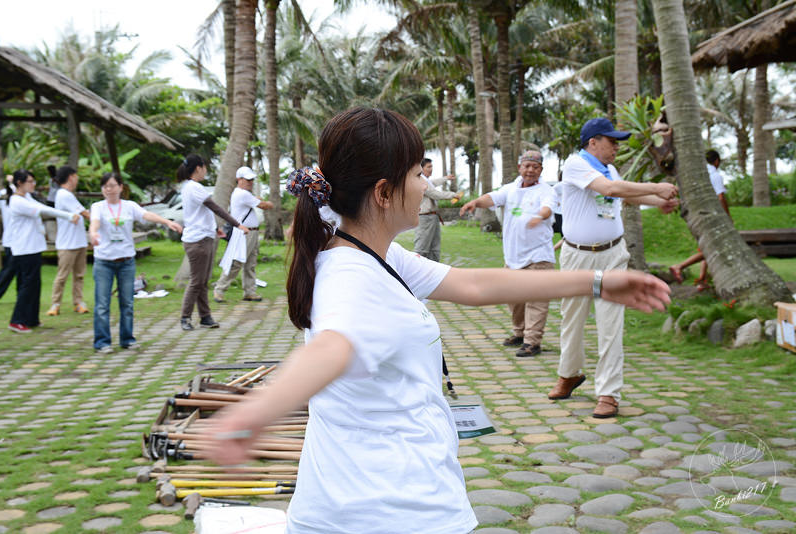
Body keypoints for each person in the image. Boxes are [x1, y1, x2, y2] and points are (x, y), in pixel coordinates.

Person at [202, 107, 671, 533]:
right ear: (384, 193)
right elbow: (332, 348)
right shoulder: (349, 275)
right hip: (386, 512)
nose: (425, 185)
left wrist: (596, 282)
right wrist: (252, 415)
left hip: (377, 500)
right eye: (416, 174)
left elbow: (473, 286)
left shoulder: (376, 253)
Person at [550, 117, 679, 418]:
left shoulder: (610, 169)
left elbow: (620, 194)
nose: (616, 147)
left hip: (613, 255)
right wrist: (657, 187)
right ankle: (569, 374)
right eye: (611, 141)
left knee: (611, 324)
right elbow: (609, 188)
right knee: (572, 319)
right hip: (577, 257)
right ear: (592, 142)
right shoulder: (575, 164)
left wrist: (656, 201)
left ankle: (608, 393)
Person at [459, 150, 556, 357]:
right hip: (514, 256)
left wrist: (539, 216)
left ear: (541, 170)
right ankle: (520, 333)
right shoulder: (510, 189)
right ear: (520, 167)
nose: (530, 170)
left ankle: (532, 342)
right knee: (514, 299)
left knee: (536, 300)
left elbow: (547, 208)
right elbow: (491, 198)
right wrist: (475, 202)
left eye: (535, 167)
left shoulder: (547, 191)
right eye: (527, 166)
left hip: (539, 256)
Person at [90, 172, 183, 353]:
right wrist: (93, 233)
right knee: (102, 304)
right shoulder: (98, 207)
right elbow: (94, 222)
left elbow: (147, 215)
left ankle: (127, 339)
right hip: (104, 261)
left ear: (120, 187)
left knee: (127, 303)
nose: (109, 189)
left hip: (126, 261)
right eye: (105, 186)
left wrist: (166, 222)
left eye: (112, 185)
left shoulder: (129, 206)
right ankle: (102, 342)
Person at [178, 154, 249, 331]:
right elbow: (215, 208)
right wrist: (237, 224)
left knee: (202, 281)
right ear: (198, 168)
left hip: (203, 237)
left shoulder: (190, 187)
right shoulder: (194, 187)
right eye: (204, 167)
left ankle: (205, 317)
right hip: (198, 241)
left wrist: (215, 229)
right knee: (197, 281)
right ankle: (185, 317)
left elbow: (201, 212)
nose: (206, 171)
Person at [6, 170, 81, 333]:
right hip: (24, 249)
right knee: (27, 286)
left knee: (35, 285)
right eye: (30, 181)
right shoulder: (17, 201)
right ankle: (17, 321)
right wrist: (68, 216)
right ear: (20, 183)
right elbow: (42, 211)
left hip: (33, 248)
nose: (33, 184)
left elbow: (41, 206)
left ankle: (31, 319)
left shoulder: (26, 197)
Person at [669, 149, 732, 290]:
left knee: (706, 247)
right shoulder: (715, 175)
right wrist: (727, 216)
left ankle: (702, 280)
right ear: (716, 161)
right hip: (712, 216)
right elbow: (720, 197)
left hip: (695, 214)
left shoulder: (699, 174)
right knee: (712, 248)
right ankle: (680, 266)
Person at [214, 166, 274, 302]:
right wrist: (270, 203)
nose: (250, 182)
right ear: (239, 179)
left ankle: (249, 291)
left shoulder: (242, 193)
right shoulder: (242, 194)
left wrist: (259, 199)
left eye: (251, 180)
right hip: (244, 233)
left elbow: (255, 200)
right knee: (237, 262)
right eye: (247, 180)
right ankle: (220, 289)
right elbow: (264, 205)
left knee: (250, 264)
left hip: (251, 232)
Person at [47, 166, 90, 316]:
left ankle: (78, 302)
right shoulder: (63, 194)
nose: (77, 180)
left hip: (79, 242)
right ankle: (55, 304)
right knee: (62, 276)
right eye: (76, 177)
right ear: (71, 177)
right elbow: (85, 213)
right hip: (67, 244)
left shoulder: (68, 194)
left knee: (79, 275)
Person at [414, 157, 463, 261]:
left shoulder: (426, 180)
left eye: (432, 166)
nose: (431, 169)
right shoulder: (421, 180)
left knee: (434, 249)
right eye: (429, 167)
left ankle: (433, 269)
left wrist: (446, 178)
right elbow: (434, 194)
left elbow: (434, 182)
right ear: (421, 168)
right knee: (422, 248)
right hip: (425, 218)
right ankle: (415, 268)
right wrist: (453, 195)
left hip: (433, 217)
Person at [0, 175, 17, 303]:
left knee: (20, 270)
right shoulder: (3, 194)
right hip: (10, 239)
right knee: (10, 268)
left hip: (24, 240)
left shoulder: (27, 194)